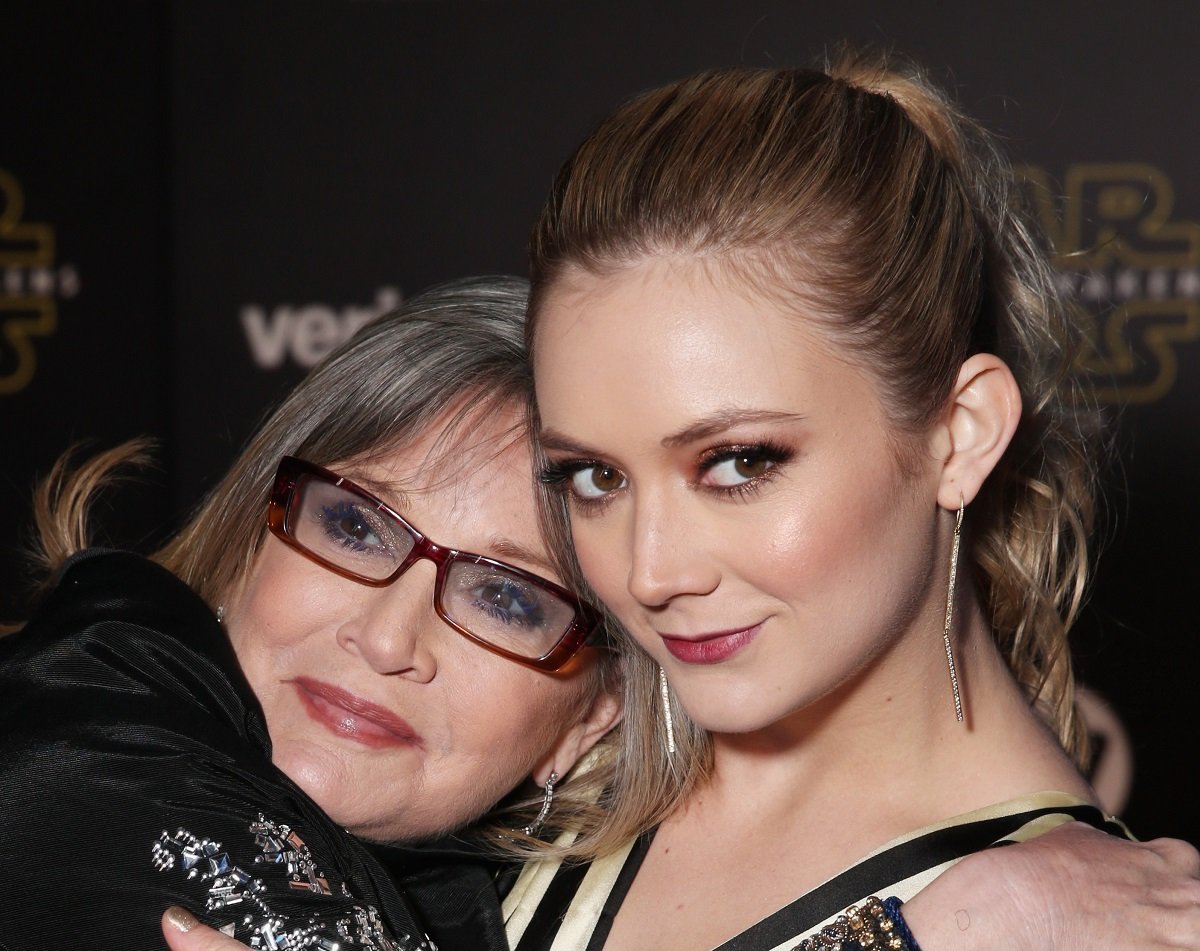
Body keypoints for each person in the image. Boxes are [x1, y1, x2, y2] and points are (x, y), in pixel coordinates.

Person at [500, 52, 1200, 949]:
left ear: (962, 432)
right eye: (594, 477)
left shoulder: (1093, 929)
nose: (650, 571)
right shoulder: (532, 771)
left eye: (739, 461)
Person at [0, 275, 622, 950]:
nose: (387, 638)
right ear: (248, 539)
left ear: (588, 719)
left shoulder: (501, 907)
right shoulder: (85, 740)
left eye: (505, 597)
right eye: (356, 527)